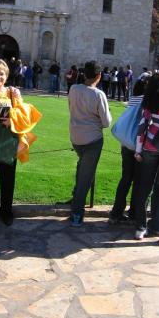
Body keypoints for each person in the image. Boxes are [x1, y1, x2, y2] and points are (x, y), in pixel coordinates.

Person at [0, 59, 42, 226]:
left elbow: (25, 114)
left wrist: (11, 119)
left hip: (8, 144)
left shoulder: (13, 93)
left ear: (6, 76)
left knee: (7, 180)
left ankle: (6, 211)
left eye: (1, 73)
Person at [68, 60, 112, 226]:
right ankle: (77, 213)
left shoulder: (73, 89)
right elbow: (106, 122)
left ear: (84, 74)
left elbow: (71, 109)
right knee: (86, 176)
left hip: (76, 137)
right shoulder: (98, 94)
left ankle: (75, 197)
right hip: (92, 139)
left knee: (82, 167)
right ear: (99, 76)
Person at [134, 72, 159, 246]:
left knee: (145, 188)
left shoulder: (148, 101)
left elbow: (142, 128)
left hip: (149, 147)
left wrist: (138, 150)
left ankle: (140, 228)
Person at [109, 78, 149, 224]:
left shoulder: (133, 99)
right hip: (138, 145)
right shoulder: (146, 101)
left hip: (125, 143)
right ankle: (134, 213)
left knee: (126, 178)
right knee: (138, 181)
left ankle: (116, 212)